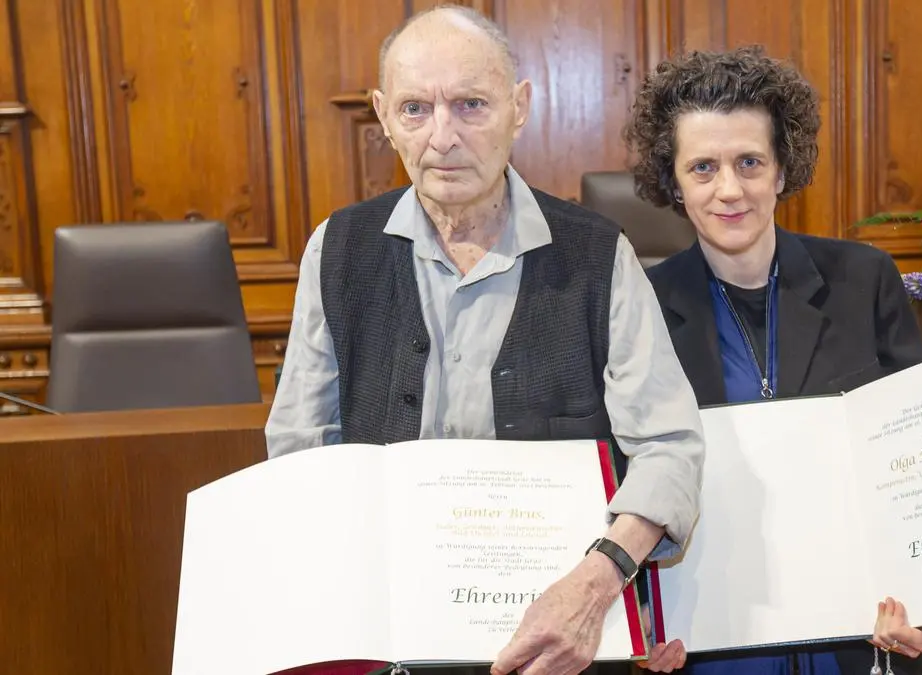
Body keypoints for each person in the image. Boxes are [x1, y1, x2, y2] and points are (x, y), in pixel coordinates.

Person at [266, 6, 697, 675]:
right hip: (388, 643)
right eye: (415, 108)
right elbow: (299, 450)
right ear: (382, 115)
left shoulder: (597, 255)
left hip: (560, 649)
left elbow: (669, 449)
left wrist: (597, 583)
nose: (443, 137)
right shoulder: (336, 249)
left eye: (471, 104)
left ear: (518, 108)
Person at [624, 46, 922, 675]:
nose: (729, 189)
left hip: (860, 636)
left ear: (781, 170)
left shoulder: (865, 278)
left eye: (749, 162)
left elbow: (921, 460)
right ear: (674, 181)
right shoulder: (640, 307)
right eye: (702, 167)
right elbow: (622, 475)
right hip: (712, 642)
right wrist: (638, 622)